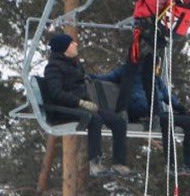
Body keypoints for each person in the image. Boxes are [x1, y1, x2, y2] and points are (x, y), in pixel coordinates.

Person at [105, 0, 190, 116]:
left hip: (143, 37)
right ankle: (155, 113)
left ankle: (121, 110)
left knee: (129, 72)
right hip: (157, 40)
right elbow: (188, 4)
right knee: (149, 78)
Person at [38, 31, 131, 178]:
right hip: (65, 108)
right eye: (71, 42)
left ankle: (118, 163)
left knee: (118, 122)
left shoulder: (75, 65)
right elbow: (56, 94)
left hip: (83, 106)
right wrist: (80, 102)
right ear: (64, 48)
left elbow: (82, 83)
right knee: (95, 119)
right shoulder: (53, 68)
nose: (76, 44)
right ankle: (95, 163)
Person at [92, 62, 190, 176]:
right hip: (140, 115)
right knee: (166, 121)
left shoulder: (156, 80)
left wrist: (183, 109)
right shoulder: (127, 72)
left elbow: (168, 97)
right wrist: (85, 78)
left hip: (159, 115)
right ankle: (171, 165)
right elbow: (105, 78)